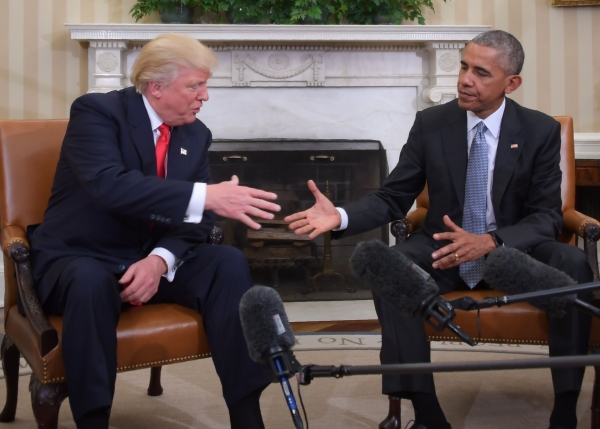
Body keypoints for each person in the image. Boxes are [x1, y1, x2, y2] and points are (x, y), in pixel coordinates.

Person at [285, 30, 592, 429]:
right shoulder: (432, 123)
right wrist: (340, 217)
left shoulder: (538, 131)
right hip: (445, 249)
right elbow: (392, 197)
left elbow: (547, 216)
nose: (465, 79)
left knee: (574, 264)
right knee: (389, 267)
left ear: (511, 83)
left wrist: (491, 241)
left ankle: (565, 409)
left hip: (516, 253)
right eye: (464, 67)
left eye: (481, 72)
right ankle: (427, 412)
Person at [30, 33, 280, 429]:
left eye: (205, 85)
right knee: (89, 281)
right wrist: (207, 195)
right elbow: (109, 186)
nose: (205, 96)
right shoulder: (97, 112)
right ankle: (92, 420)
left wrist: (158, 262)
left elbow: (196, 221)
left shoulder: (195, 134)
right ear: (156, 87)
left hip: (145, 258)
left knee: (227, 262)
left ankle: (247, 416)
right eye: (195, 86)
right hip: (80, 255)